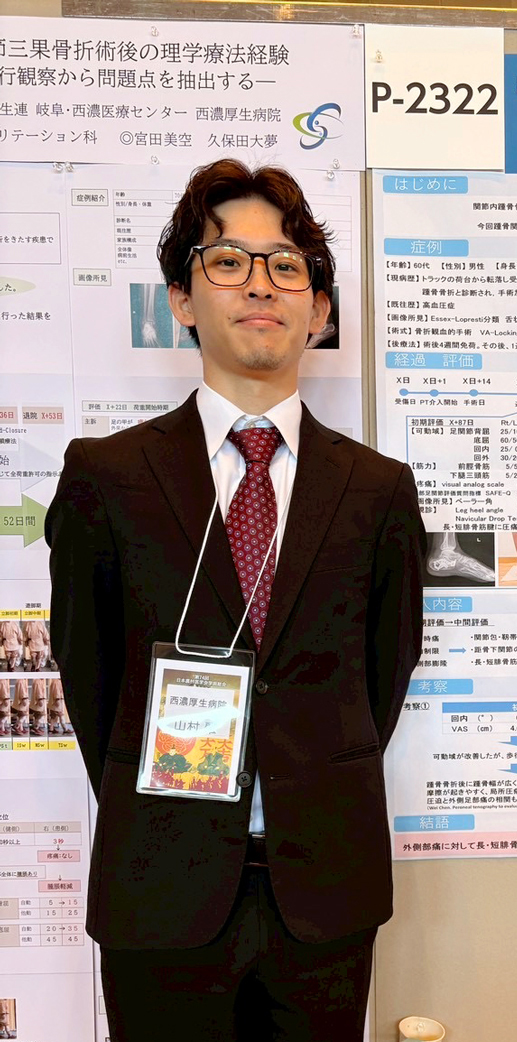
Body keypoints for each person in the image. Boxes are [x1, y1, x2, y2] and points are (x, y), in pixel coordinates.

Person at [45, 159, 426, 1042]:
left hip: (324, 892)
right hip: (160, 882)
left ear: (319, 310)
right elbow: (90, 678)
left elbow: (383, 677)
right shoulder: (108, 477)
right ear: (182, 298)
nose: (261, 284)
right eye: (228, 262)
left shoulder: (377, 490)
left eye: (287, 266)